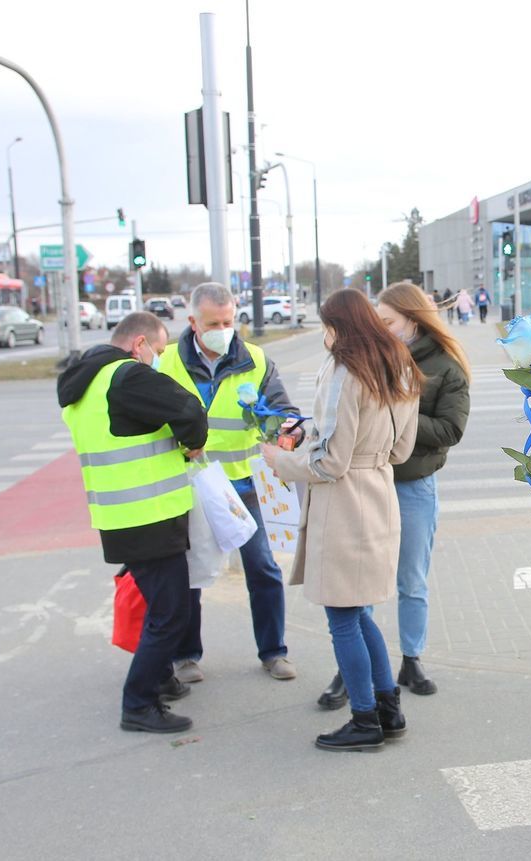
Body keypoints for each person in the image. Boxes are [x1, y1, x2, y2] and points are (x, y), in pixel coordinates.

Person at [259, 288, 420, 751]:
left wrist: (278, 460)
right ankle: (388, 710)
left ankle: (366, 718)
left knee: (343, 616)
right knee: (357, 610)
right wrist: (316, 434)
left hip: (344, 504)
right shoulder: (401, 364)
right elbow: (402, 449)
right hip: (379, 492)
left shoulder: (345, 370)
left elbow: (329, 463)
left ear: (337, 327)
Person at [315, 282, 470, 708]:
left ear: (413, 321)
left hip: (414, 484)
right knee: (355, 587)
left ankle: (412, 659)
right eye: (377, 320)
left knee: (411, 580)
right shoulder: (375, 360)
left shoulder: (445, 366)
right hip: (368, 486)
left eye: (388, 321)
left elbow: (451, 430)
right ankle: (351, 670)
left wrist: (393, 420)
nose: (381, 328)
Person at [58, 312, 209, 733]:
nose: (158, 359)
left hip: (119, 515)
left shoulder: (85, 383)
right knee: (171, 613)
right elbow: (189, 408)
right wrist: (193, 445)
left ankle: (161, 678)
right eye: (158, 351)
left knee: (160, 606)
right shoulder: (126, 376)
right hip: (150, 517)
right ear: (139, 344)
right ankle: (139, 702)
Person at [157, 282, 300, 683]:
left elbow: (286, 415)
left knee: (263, 568)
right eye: (213, 323)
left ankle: (274, 652)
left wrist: (281, 427)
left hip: (242, 486)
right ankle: (186, 657)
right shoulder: (165, 361)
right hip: (189, 487)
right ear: (192, 322)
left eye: (228, 321)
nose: (223, 329)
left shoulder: (255, 359)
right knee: (191, 572)